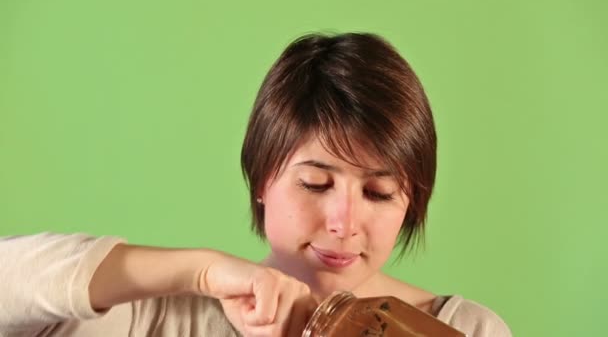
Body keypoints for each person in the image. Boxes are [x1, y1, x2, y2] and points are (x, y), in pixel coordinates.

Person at [0, 32, 512, 337]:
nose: (344, 223)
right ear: (262, 176)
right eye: (315, 184)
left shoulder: (465, 329)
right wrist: (198, 272)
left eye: (378, 193)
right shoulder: (155, 318)